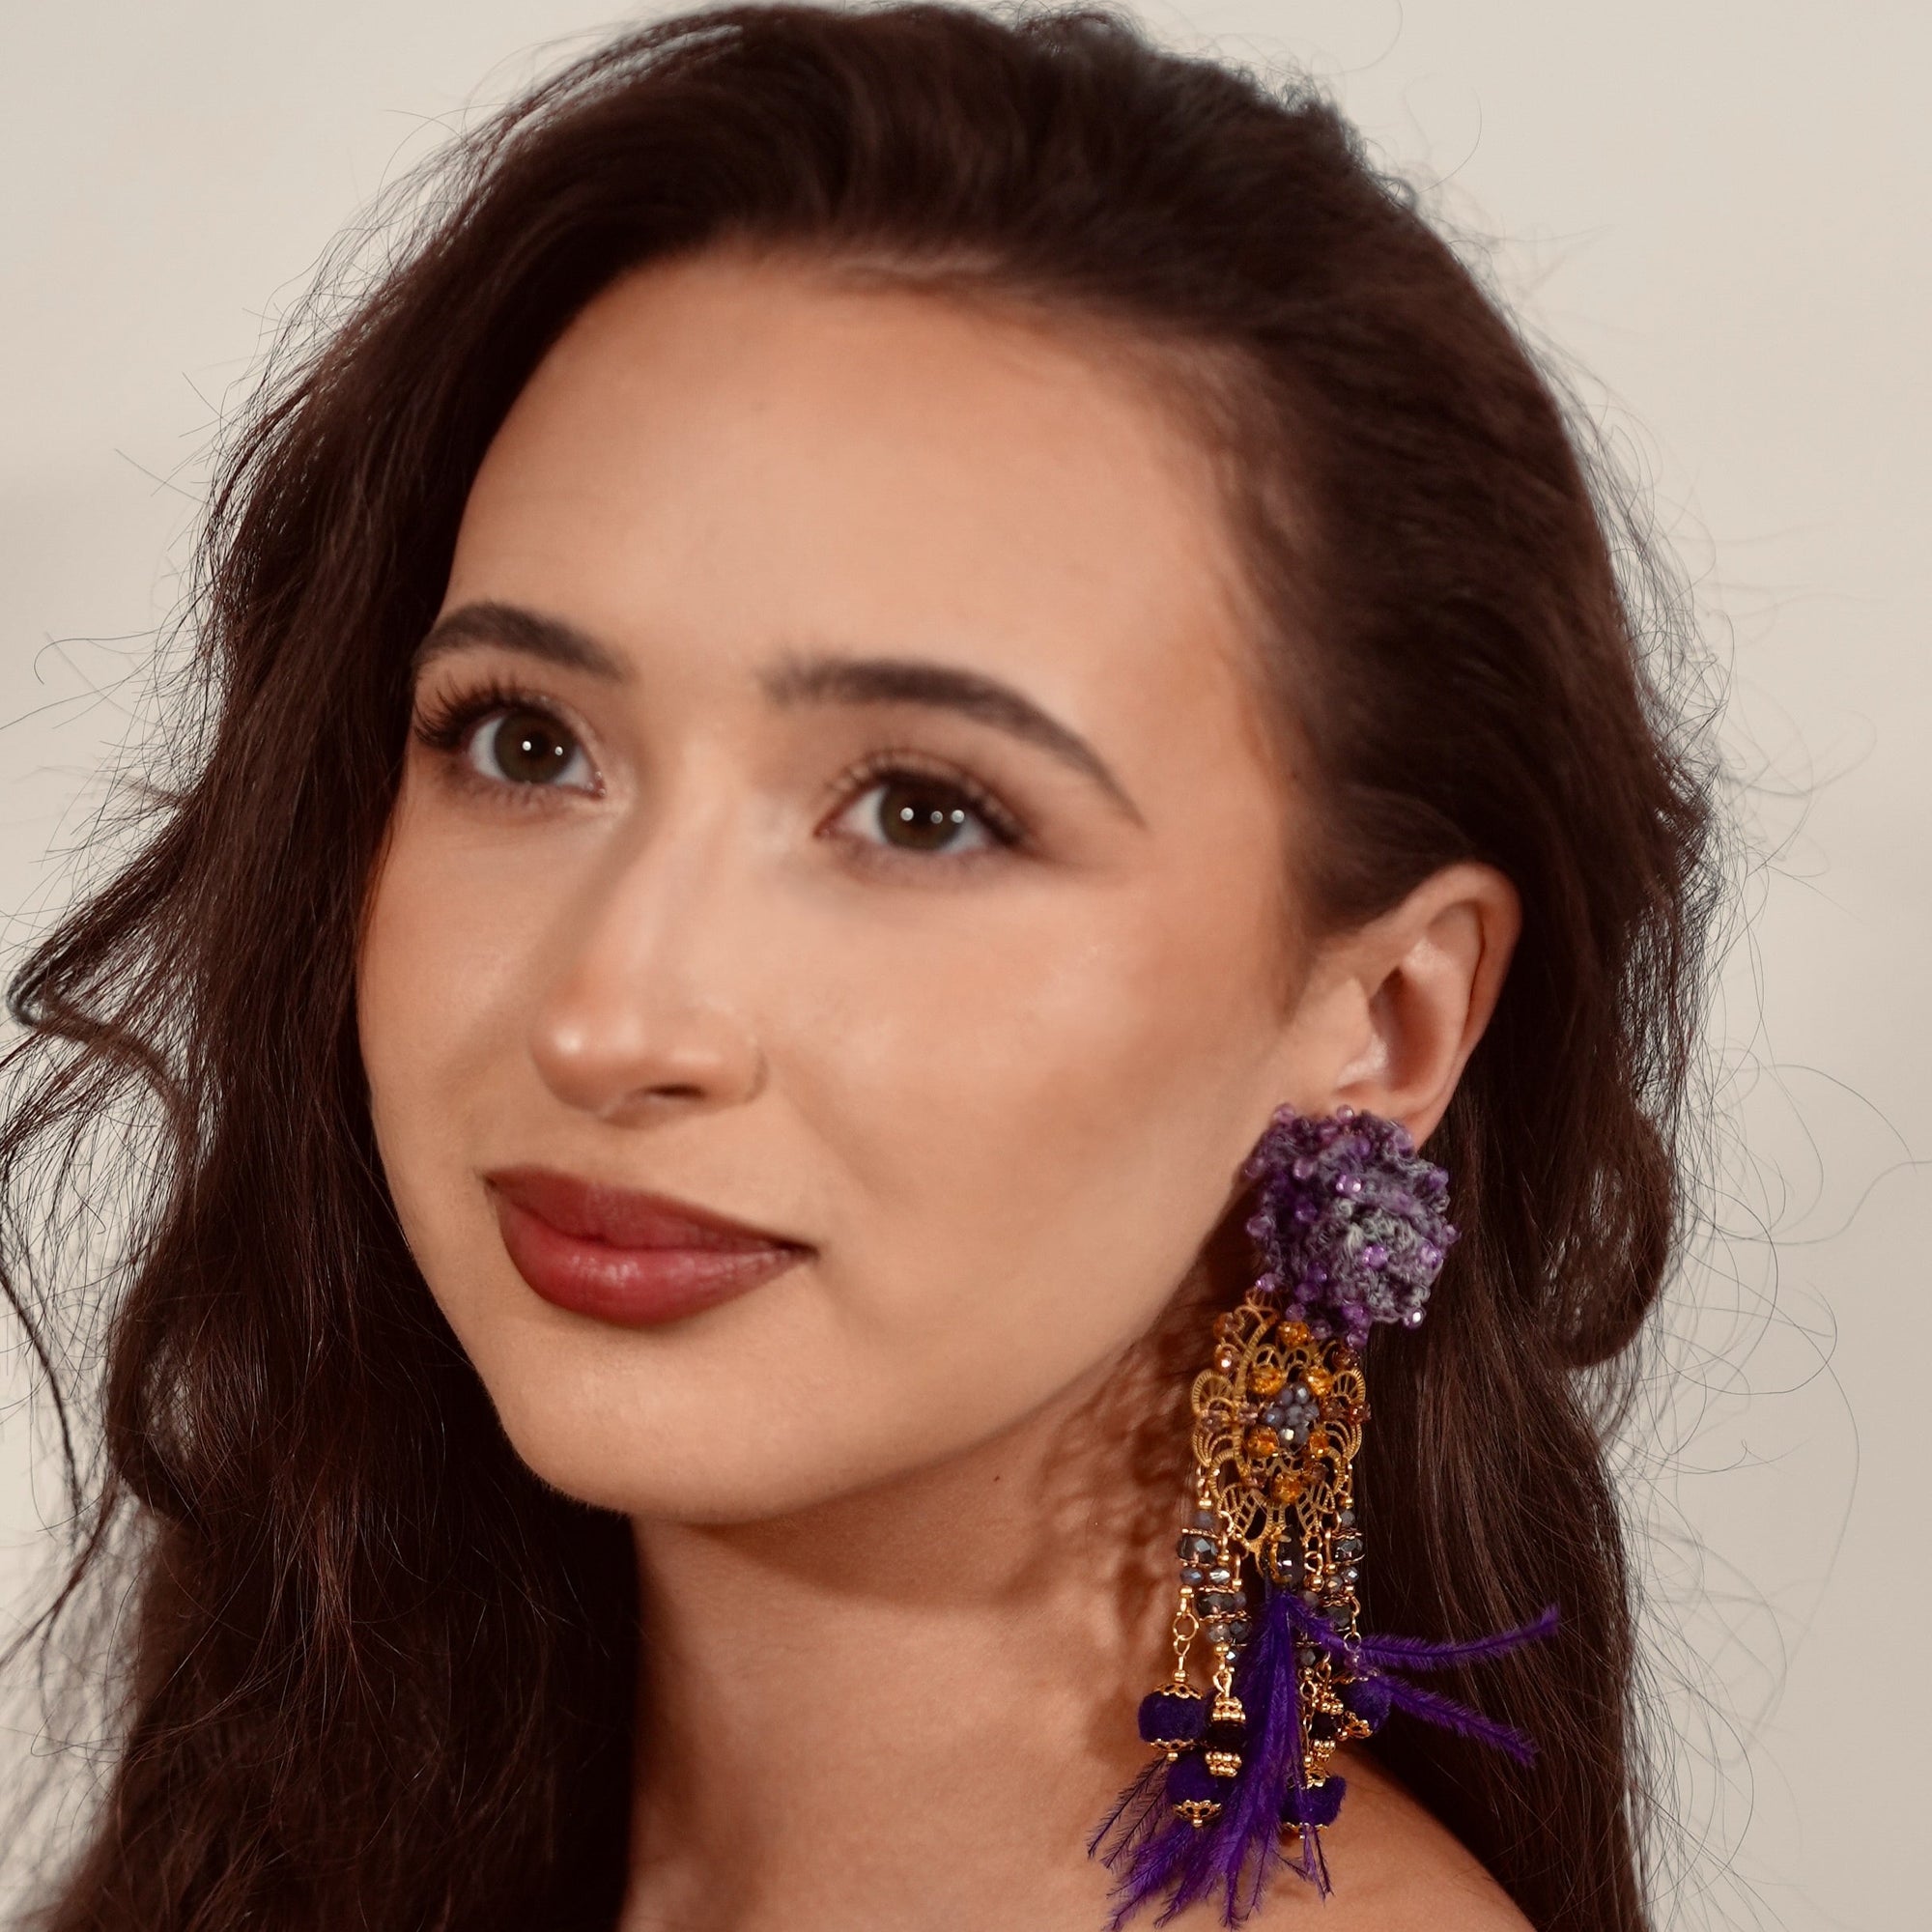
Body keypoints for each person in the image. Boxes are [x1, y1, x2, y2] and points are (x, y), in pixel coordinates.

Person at [0, 6, 1719, 1928]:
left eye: (920, 810)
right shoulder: (333, 1812)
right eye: (526, 742)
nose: (607, 1017)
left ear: (1382, 1015)